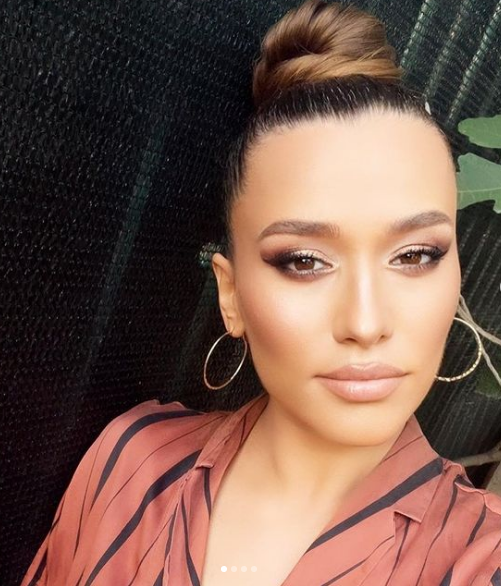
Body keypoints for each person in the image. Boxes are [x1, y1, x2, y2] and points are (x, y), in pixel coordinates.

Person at [21, 1, 501, 585]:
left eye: (415, 255)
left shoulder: (481, 557)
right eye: (304, 261)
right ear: (230, 294)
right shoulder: (132, 465)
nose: (366, 322)